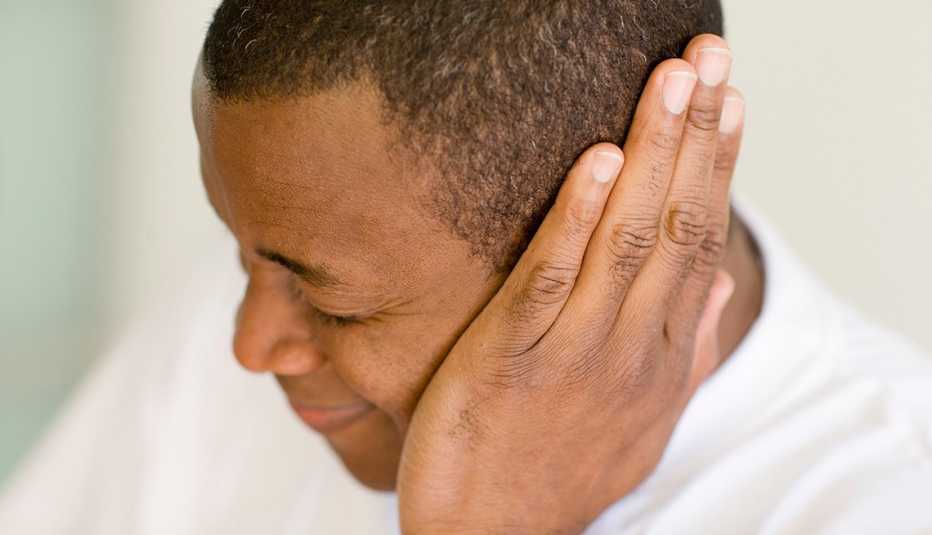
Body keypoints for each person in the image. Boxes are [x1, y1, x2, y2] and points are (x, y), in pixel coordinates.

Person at [2, 1, 931, 533]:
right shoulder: (219, 335)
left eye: (339, 308)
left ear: (608, 238)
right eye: (239, 248)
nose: (248, 344)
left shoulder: (878, 500)